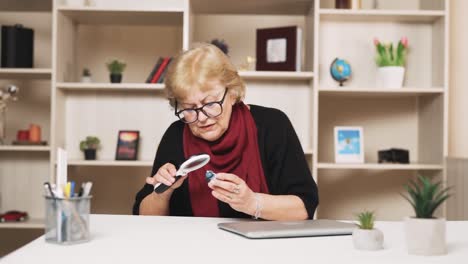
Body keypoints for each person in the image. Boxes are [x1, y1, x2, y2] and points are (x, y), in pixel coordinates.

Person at [133, 44, 318, 220]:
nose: (202, 117)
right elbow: (143, 217)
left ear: (232, 93)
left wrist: (252, 202)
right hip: (195, 247)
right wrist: (162, 193)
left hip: (263, 248)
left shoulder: (272, 125)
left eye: (210, 103)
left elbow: (304, 207)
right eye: (189, 108)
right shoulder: (176, 134)